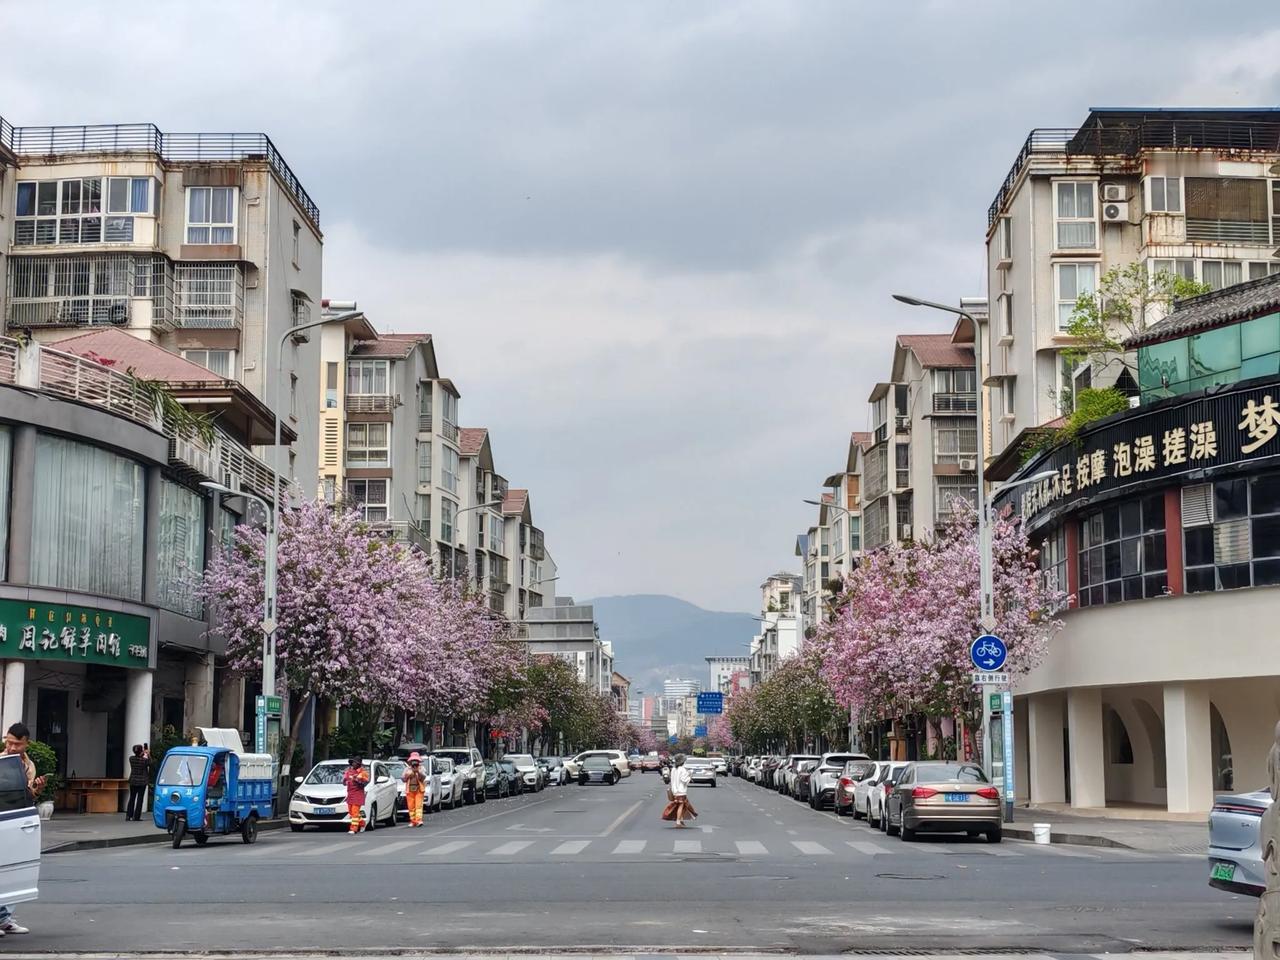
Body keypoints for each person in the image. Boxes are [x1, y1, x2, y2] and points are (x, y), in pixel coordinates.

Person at [0, 722, 45, 937]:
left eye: (17, 744)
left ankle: (3, 918)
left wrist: (36, 790)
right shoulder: (1, 761)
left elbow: (25, 797)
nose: (11, 747)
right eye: (8, 742)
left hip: (13, 822)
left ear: (26, 744)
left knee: (11, 870)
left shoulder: (29, 766)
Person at [666, 753, 697, 828]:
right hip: (681, 791)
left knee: (684, 805)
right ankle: (678, 822)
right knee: (681, 805)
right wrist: (690, 775)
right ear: (682, 761)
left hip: (675, 790)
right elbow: (684, 780)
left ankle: (681, 820)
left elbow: (672, 779)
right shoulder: (682, 769)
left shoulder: (673, 769)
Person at [343, 756, 370, 834]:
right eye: (353, 763)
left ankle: (353, 829)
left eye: (355, 763)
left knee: (355, 812)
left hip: (358, 794)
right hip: (350, 794)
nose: (353, 764)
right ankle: (362, 823)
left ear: (359, 764)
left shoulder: (363, 772)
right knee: (351, 812)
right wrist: (345, 780)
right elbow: (344, 783)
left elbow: (364, 783)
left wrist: (356, 779)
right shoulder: (349, 771)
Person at [126, 743, 150, 821]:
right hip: (142, 782)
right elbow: (150, 763)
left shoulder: (131, 758)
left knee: (132, 798)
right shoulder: (144, 760)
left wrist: (143, 754)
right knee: (140, 799)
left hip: (133, 781)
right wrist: (147, 754)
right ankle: (136, 817)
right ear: (141, 751)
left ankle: (128, 815)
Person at [403, 752, 428, 827]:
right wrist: (410, 774)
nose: (414, 763)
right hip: (409, 790)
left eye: (416, 761)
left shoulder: (422, 768)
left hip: (419, 789)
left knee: (418, 806)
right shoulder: (407, 769)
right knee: (411, 807)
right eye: (413, 761)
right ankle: (413, 821)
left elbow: (423, 778)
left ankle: (419, 820)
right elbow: (403, 779)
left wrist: (418, 772)